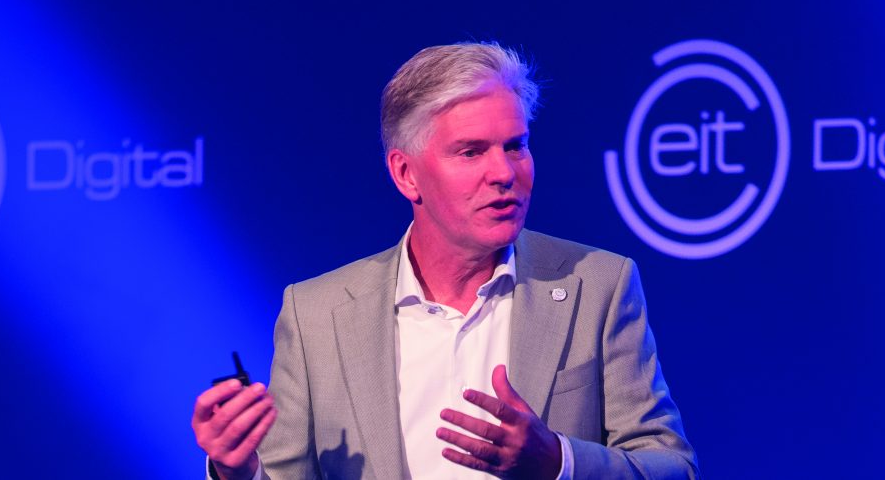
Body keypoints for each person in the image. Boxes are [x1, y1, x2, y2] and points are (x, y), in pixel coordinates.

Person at [192, 43, 699, 479]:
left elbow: (672, 466)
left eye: (516, 146)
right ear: (406, 174)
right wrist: (237, 471)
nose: (504, 173)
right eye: (471, 152)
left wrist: (558, 461)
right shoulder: (316, 315)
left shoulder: (598, 286)